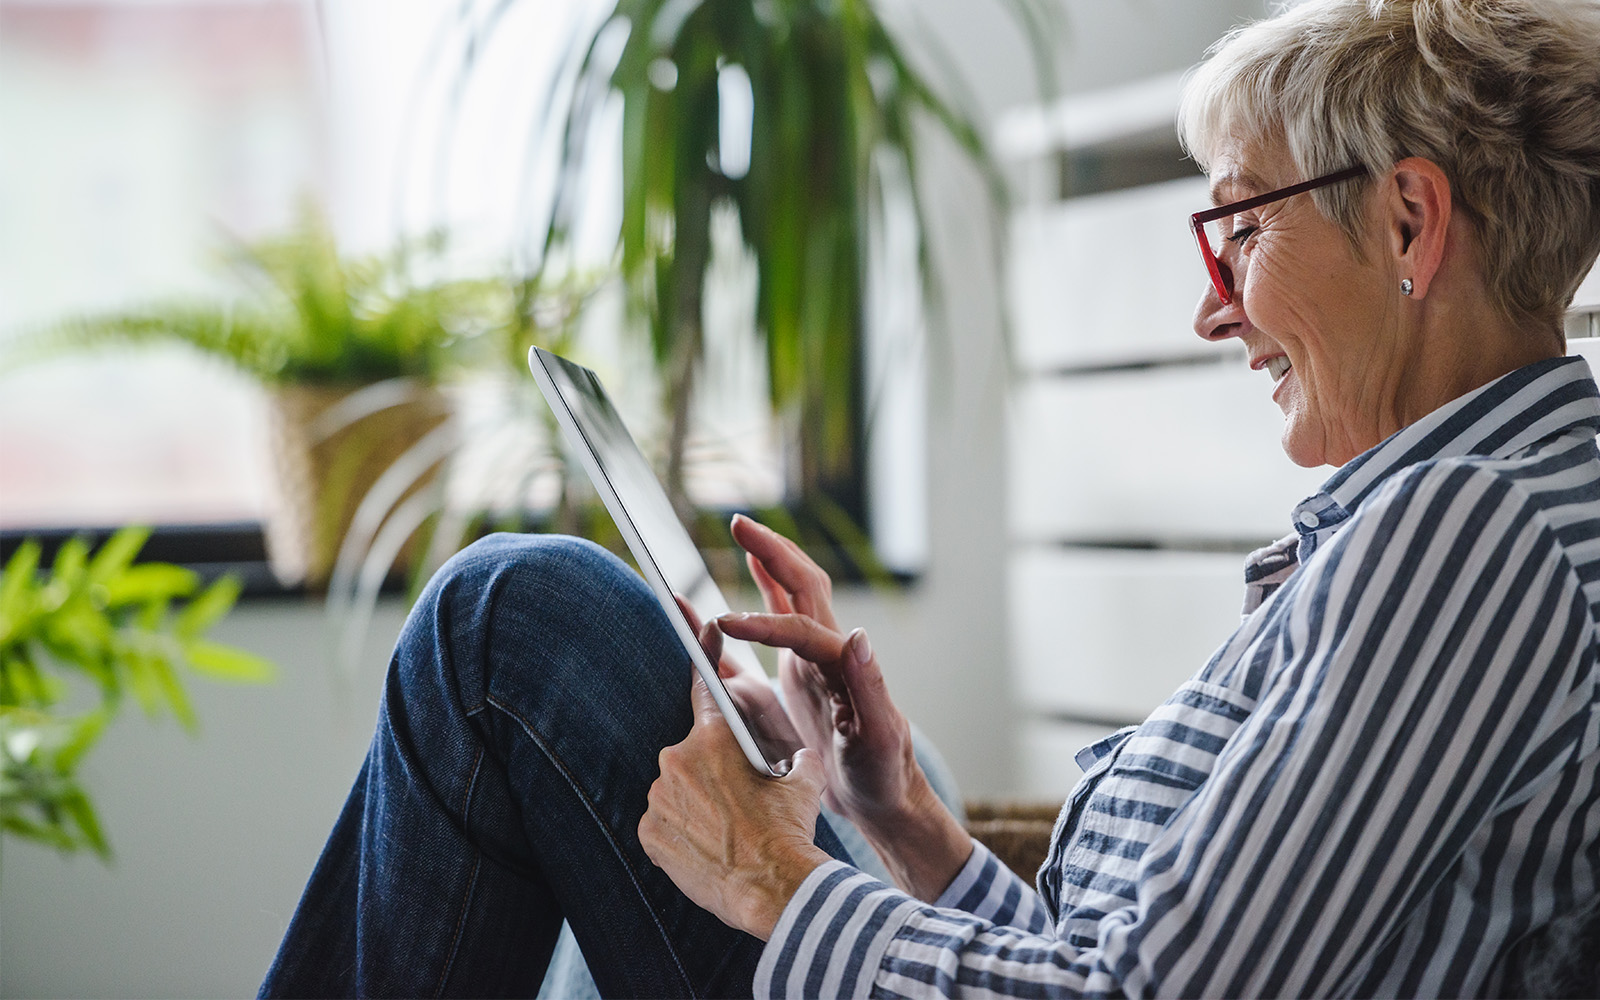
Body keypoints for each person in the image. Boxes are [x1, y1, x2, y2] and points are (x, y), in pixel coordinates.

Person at [260, 0, 1600, 995]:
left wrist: (776, 881)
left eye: (1240, 228)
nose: (1209, 307)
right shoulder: (1467, 516)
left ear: (1413, 226)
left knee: (509, 620)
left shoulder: (1474, 534)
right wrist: (902, 817)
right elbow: (1139, 962)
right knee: (662, 684)